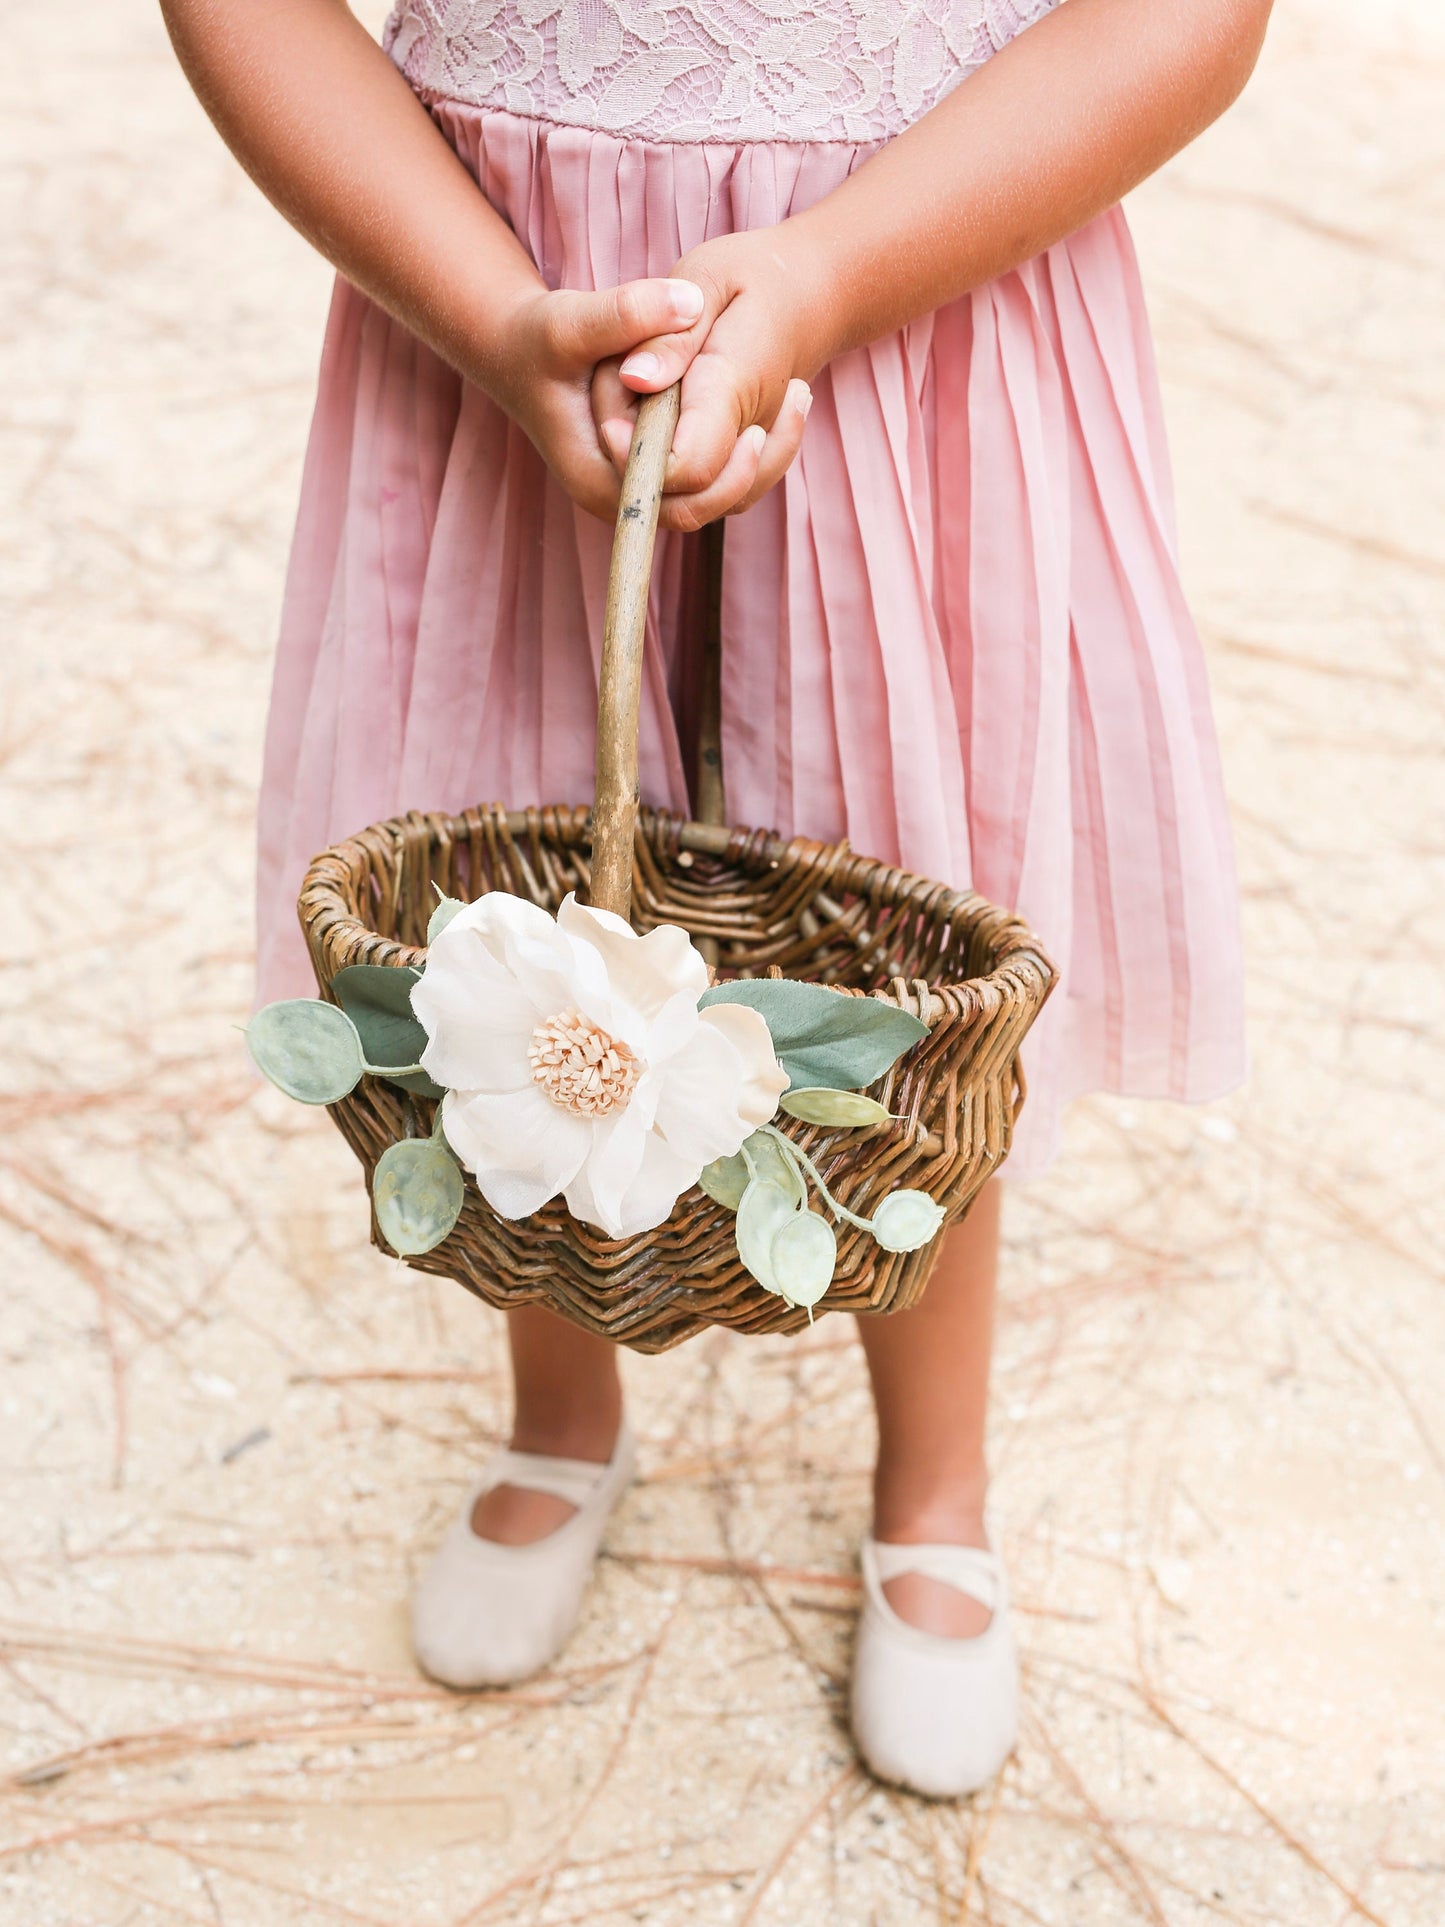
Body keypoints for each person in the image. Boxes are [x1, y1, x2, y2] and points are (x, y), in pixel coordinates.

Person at [163, 0, 1265, 1798]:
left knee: (909, 906)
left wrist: (829, 279)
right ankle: (561, 1415)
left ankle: (931, 1490)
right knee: (525, 884)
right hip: (505, 286)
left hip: (917, 274)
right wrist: (493, 321)